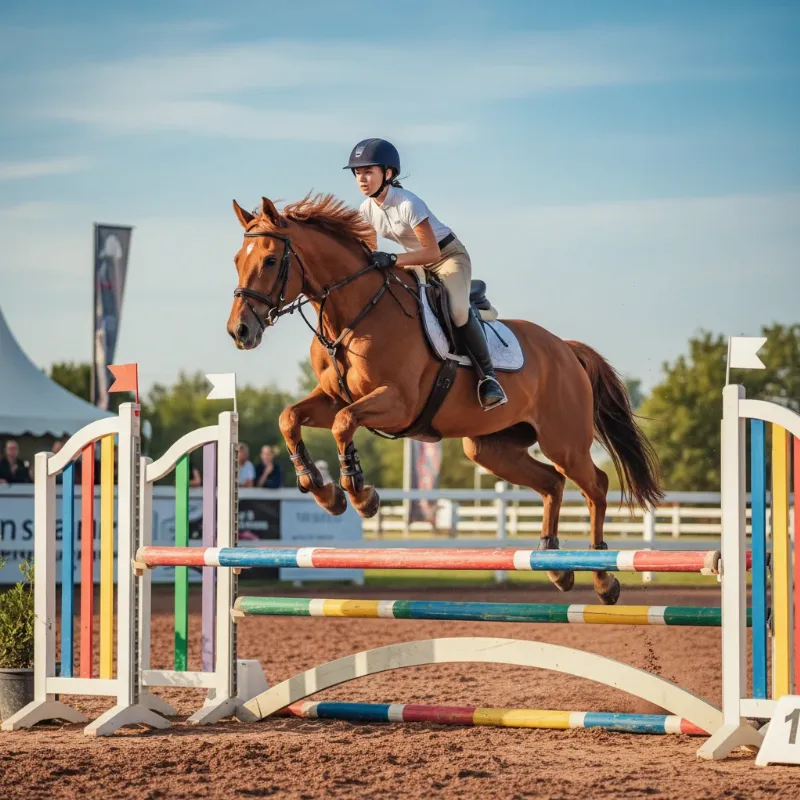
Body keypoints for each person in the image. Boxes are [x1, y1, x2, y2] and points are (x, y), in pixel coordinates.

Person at [344, 137, 507, 410]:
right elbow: (370, 254)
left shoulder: (408, 204)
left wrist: (394, 258)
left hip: (447, 257)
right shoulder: (367, 209)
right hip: (413, 260)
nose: (362, 179)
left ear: (388, 173)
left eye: (368, 172)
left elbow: (432, 253)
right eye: (358, 173)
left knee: (457, 311)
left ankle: (489, 378)